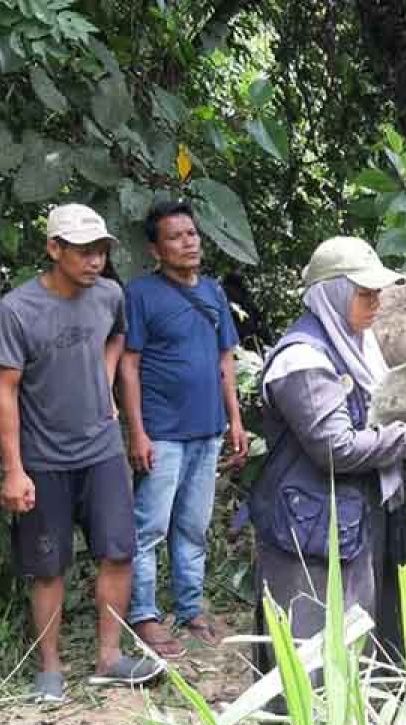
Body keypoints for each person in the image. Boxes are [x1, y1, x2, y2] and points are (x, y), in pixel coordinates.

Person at [248, 236, 406, 675]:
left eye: (378, 292)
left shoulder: (356, 346)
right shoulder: (303, 359)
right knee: (313, 631)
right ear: (334, 295)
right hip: (312, 521)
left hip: (349, 513)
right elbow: (335, 448)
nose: (376, 303)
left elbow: (370, 419)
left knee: (354, 625)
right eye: (365, 294)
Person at [0, 203, 163, 702]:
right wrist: (14, 470)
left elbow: (116, 337)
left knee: (119, 551)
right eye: (84, 251)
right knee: (48, 566)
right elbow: (4, 390)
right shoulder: (18, 310)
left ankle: (109, 659)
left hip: (102, 451)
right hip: (44, 459)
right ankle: (49, 669)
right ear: (53, 249)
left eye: (101, 251)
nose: (95, 261)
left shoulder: (110, 295)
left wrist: (104, 385)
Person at [118, 200, 249, 657]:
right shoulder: (140, 294)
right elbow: (128, 367)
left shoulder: (213, 292)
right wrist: (137, 431)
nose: (187, 242)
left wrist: (235, 419)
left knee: (193, 526)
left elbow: (224, 361)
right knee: (149, 528)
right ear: (155, 249)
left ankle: (191, 608)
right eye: (174, 237)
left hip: (207, 430)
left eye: (191, 233)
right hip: (162, 432)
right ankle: (145, 616)